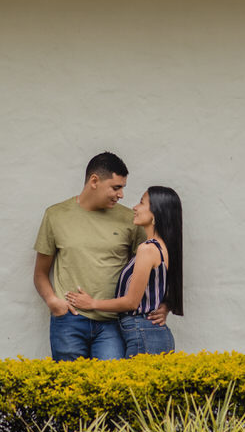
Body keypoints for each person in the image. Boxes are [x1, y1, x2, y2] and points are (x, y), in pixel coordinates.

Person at [34, 152, 150, 360]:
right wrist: (53, 301)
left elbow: (152, 265)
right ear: (94, 181)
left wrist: (165, 305)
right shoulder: (56, 215)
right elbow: (41, 272)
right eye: (116, 187)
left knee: (110, 387)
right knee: (69, 387)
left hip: (112, 323)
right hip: (69, 320)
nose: (121, 194)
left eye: (123, 187)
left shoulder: (129, 220)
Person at [65, 186, 182, 357]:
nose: (135, 207)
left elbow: (131, 302)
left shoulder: (147, 249)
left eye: (142, 203)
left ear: (156, 214)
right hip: (149, 333)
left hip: (143, 333)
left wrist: (92, 304)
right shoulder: (162, 247)